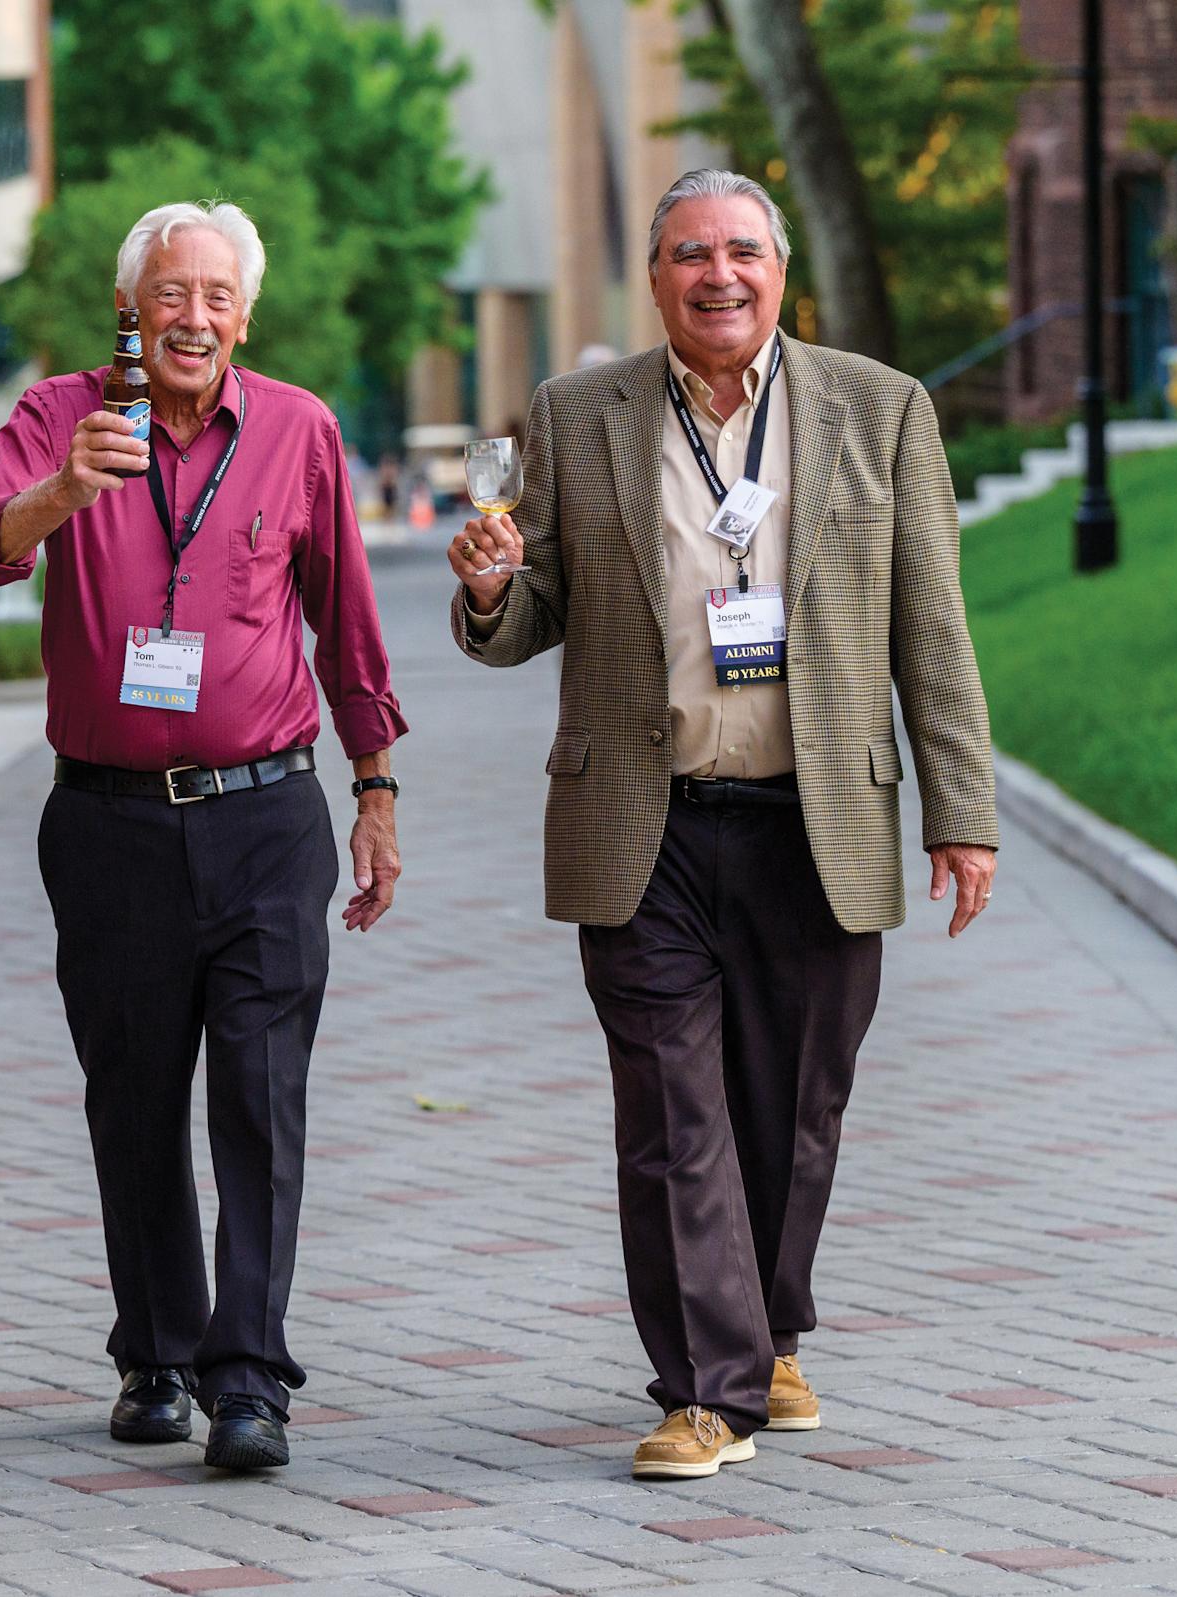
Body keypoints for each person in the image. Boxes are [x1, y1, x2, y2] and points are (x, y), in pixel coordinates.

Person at [448, 169, 997, 1480]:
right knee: (670, 1112)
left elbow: (933, 628)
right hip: (646, 822)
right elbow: (533, 617)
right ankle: (708, 1388)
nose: (718, 274)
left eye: (742, 250)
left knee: (792, 1109)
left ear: (780, 270)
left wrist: (960, 812)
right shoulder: (577, 416)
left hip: (818, 823)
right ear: (655, 280)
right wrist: (485, 592)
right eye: (690, 252)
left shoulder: (881, 410)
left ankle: (770, 1326)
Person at [0, 200, 406, 1472]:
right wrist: (60, 490)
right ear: (131, 310)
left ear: (242, 316)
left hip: (267, 814)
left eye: (216, 296)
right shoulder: (56, 417)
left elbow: (346, 625)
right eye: (170, 293)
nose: (192, 316)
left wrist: (376, 791)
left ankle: (247, 1375)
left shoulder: (301, 430)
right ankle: (155, 1348)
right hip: (107, 823)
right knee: (134, 1096)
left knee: (259, 1096)